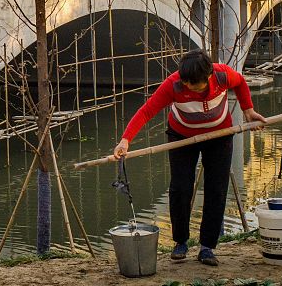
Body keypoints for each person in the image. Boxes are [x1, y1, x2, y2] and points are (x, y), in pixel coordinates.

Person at [113, 49, 266, 266]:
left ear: (208, 76)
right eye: (185, 82)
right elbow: (147, 111)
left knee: (216, 188)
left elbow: (240, 82)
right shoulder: (174, 84)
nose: (187, 86)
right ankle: (180, 242)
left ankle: (207, 247)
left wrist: (248, 110)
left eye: (193, 83)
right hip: (181, 136)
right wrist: (125, 139)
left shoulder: (222, 75)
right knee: (180, 187)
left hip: (219, 136)